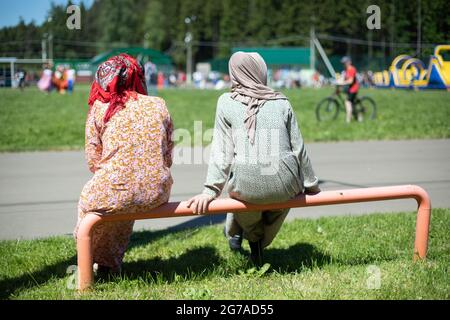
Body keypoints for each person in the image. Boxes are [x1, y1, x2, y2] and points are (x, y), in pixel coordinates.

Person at [186, 52, 319, 265]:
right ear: (262, 72)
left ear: (234, 74)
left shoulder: (226, 102)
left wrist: (210, 190)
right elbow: (299, 148)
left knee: (243, 201)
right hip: (286, 184)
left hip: (246, 187)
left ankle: (245, 235)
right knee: (276, 204)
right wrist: (311, 184)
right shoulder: (282, 101)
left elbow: (222, 151)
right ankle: (258, 241)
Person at [74, 54, 174, 276]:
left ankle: (87, 262)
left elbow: (93, 160)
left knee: (100, 198)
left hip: (113, 191)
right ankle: (110, 263)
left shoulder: (101, 107)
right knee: (125, 198)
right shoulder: (158, 104)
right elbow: (167, 156)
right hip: (157, 191)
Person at [338, 56, 360, 123]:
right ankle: (359, 117)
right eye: (343, 63)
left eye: (344, 63)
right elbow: (343, 77)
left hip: (353, 89)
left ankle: (348, 120)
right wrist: (337, 81)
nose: (343, 64)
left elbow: (350, 81)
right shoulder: (346, 70)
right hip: (349, 88)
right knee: (352, 104)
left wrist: (342, 82)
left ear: (349, 62)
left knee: (347, 102)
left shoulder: (351, 69)